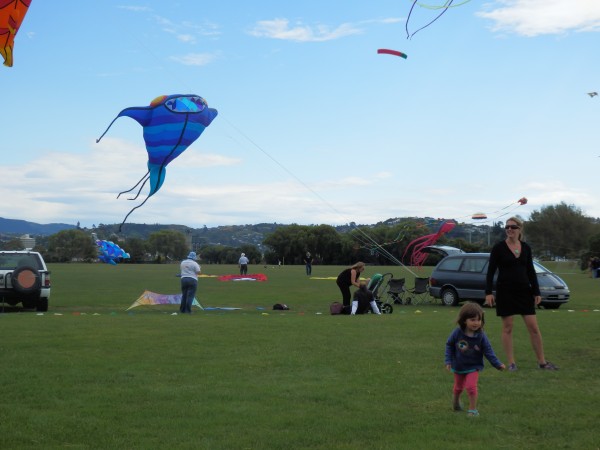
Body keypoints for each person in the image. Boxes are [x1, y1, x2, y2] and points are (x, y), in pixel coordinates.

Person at [485, 216, 558, 371]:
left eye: (513, 227)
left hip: (524, 291)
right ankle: (511, 363)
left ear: (519, 229)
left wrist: (536, 291)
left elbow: (530, 271)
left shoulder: (526, 247)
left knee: (533, 328)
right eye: (507, 227)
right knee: (508, 327)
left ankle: (542, 362)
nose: (509, 229)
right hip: (505, 291)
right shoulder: (498, 248)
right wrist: (488, 292)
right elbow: (490, 271)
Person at [445, 302, 505, 417]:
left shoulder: (481, 335)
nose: (476, 323)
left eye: (479, 320)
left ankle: (472, 410)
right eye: (472, 320)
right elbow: (449, 345)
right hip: (458, 366)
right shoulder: (457, 333)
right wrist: (448, 361)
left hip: (473, 366)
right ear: (464, 320)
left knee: (471, 387)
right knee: (458, 387)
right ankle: (456, 402)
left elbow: (488, 351)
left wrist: (497, 364)